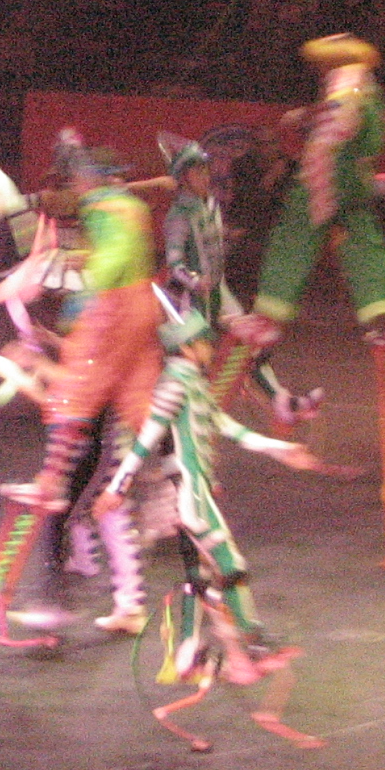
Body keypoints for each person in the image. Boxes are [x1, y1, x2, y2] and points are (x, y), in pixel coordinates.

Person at [95, 290, 328, 719]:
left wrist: (281, 448)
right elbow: (148, 437)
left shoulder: (193, 383)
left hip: (201, 492)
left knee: (202, 573)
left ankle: (188, 652)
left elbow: (228, 427)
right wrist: (118, 485)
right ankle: (251, 641)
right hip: (190, 495)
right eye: (203, 341)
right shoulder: (173, 384)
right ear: (186, 346)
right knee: (226, 561)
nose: (209, 348)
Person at [3, 136, 160, 513]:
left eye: (74, 179)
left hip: (114, 307)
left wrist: (92, 293)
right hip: (141, 308)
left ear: (88, 178)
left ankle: (51, 483)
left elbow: (115, 255)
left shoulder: (100, 205)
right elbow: (122, 251)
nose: (71, 186)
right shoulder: (132, 208)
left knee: (73, 393)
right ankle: (175, 482)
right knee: (139, 403)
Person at [237, 33, 385, 352]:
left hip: (327, 176)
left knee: (292, 241)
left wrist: (307, 122)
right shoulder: (370, 86)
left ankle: (268, 320)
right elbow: (373, 137)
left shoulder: (345, 79)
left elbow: (340, 115)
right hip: (355, 181)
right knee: (366, 248)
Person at [157, 132, 319, 427]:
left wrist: (228, 239)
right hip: (192, 301)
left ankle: (281, 400)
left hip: (219, 291)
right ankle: (177, 439)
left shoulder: (210, 208)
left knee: (252, 345)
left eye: (205, 169)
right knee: (192, 371)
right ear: (183, 177)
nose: (205, 176)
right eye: (197, 171)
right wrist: (195, 281)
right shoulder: (179, 215)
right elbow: (174, 263)